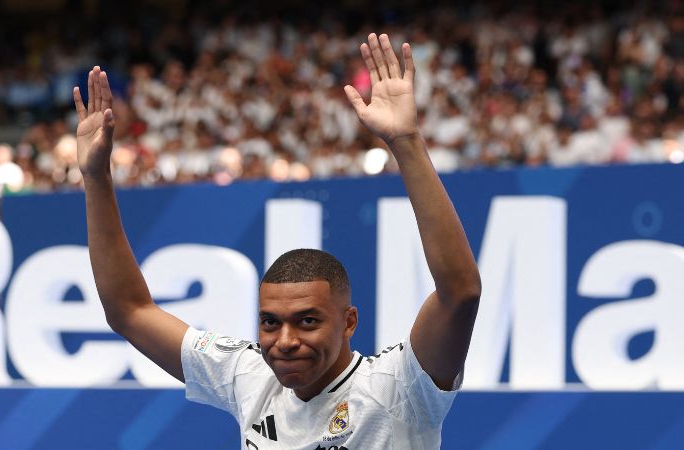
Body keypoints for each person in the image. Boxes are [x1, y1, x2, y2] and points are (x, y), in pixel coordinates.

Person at [74, 33, 480, 449]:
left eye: (307, 321)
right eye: (270, 322)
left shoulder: (399, 390)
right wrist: (96, 178)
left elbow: (460, 292)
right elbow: (129, 310)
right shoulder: (249, 375)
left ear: (349, 322)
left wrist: (406, 142)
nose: (284, 342)